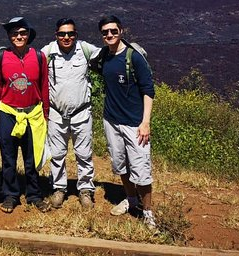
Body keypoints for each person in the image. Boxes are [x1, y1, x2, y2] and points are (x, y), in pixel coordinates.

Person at [97, 15, 157, 229]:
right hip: (111, 121)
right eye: (105, 32)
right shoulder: (104, 56)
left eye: (113, 31)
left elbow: (148, 90)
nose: (110, 35)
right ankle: (131, 199)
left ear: (121, 31)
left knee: (141, 168)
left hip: (134, 123)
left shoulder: (134, 57)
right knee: (120, 164)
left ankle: (148, 212)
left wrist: (145, 122)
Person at [41, 18, 102, 209]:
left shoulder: (85, 50)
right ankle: (59, 188)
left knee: (84, 154)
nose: (66, 37)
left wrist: (132, 52)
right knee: (57, 154)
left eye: (70, 34)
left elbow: (109, 54)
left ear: (76, 35)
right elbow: (31, 64)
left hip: (81, 113)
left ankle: (85, 190)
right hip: (57, 114)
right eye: (62, 34)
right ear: (56, 35)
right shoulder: (48, 52)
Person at [0, 17, 51, 213]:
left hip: (33, 114)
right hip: (8, 113)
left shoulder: (38, 56)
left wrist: (45, 113)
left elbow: (44, 85)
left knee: (32, 157)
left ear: (28, 35)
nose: (18, 36)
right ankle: (10, 195)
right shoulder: (2, 56)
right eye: (14, 33)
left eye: (22, 33)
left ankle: (34, 195)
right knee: (8, 156)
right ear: (9, 36)